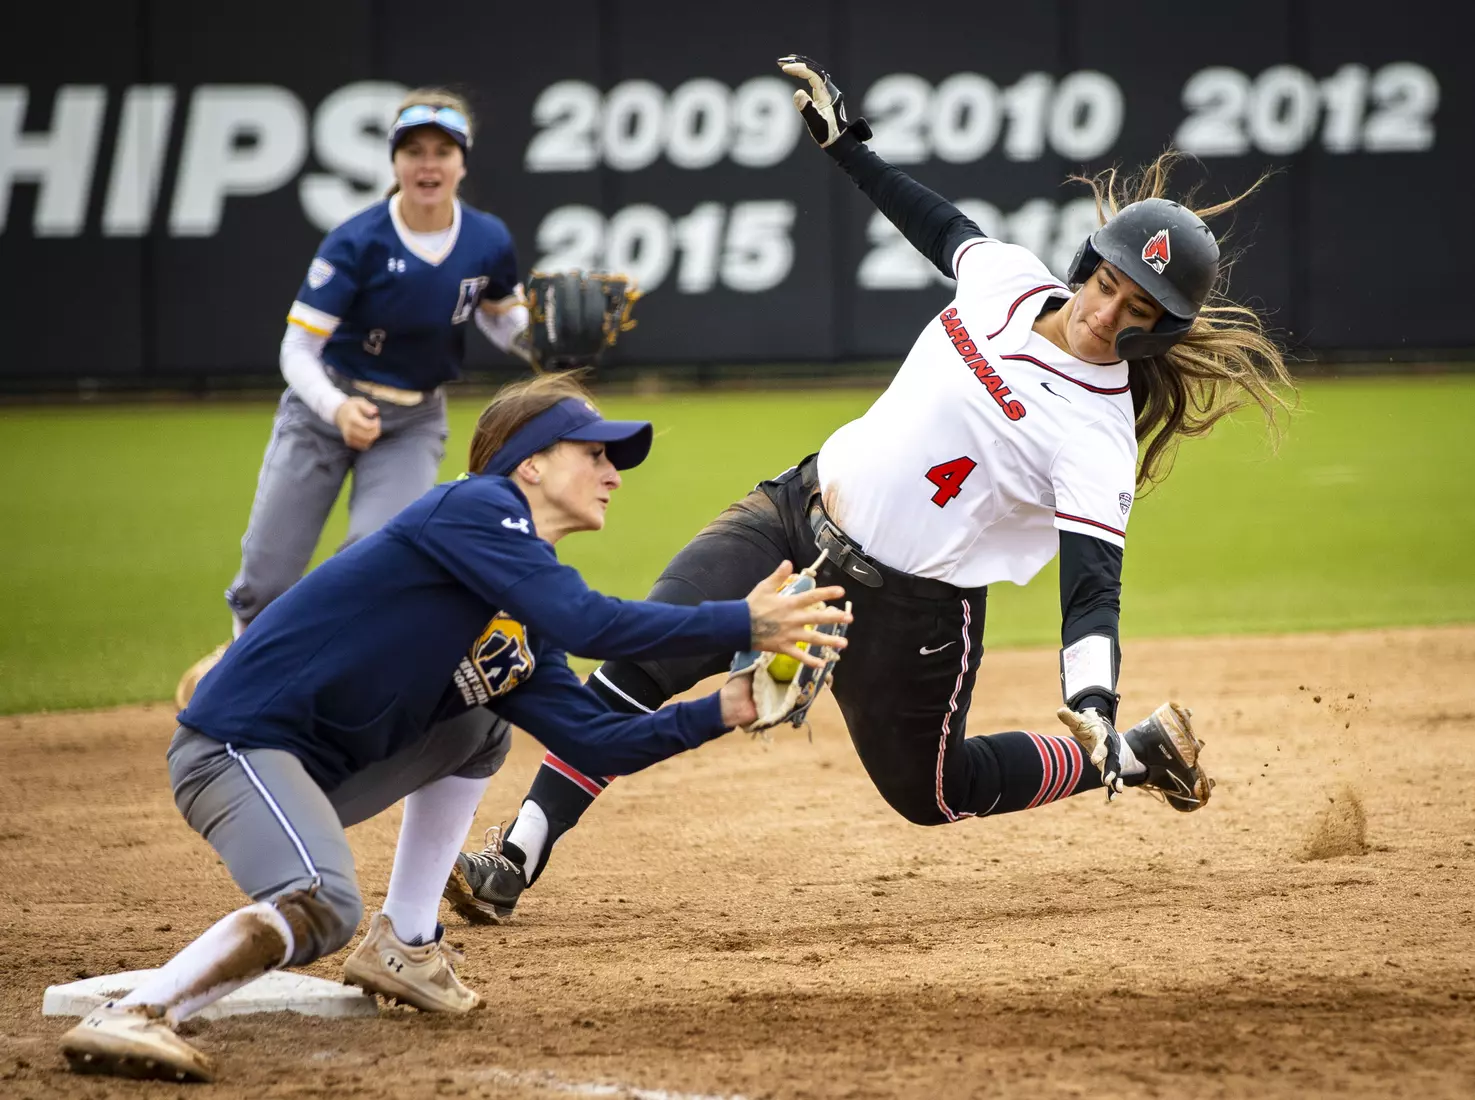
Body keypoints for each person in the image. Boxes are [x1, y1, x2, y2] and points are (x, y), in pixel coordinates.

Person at [443, 54, 1296, 926]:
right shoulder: (1006, 279)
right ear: (1087, 262)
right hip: (793, 516)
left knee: (935, 792)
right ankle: (518, 851)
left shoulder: (1096, 434)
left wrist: (1092, 702)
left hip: (912, 608)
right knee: (642, 664)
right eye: (1108, 282)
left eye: (1136, 310)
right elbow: (934, 223)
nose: (1106, 311)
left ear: (1158, 332)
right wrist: (846, 146)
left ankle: (1136, 754)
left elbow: (1093, 589)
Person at [59, 372, 851, 1083]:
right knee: (321, 902)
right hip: (234, 750)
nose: (613, 473)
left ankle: (405, 941)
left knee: (482, 729)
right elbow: (589, 622)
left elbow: (595, 742)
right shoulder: (472, 507)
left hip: (313, 770)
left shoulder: (520, 623)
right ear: (530, 463)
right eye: (595, 454)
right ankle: (138, 1012)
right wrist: (737, 619)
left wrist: (726, 708)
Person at [175, 88, 537, 707]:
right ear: (395, 162)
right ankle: (243, 659)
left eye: (442, 151)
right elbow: (297, 350)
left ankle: (311, 686)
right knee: (267, 575)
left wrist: (541, 338)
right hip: (325, 409)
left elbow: (500, 320)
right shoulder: (358, 240)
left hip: (413, 420)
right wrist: (336, 408)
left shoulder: (486, 239)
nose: (428, 164)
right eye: (413, 150)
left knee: (372, 564)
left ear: (463, 162)